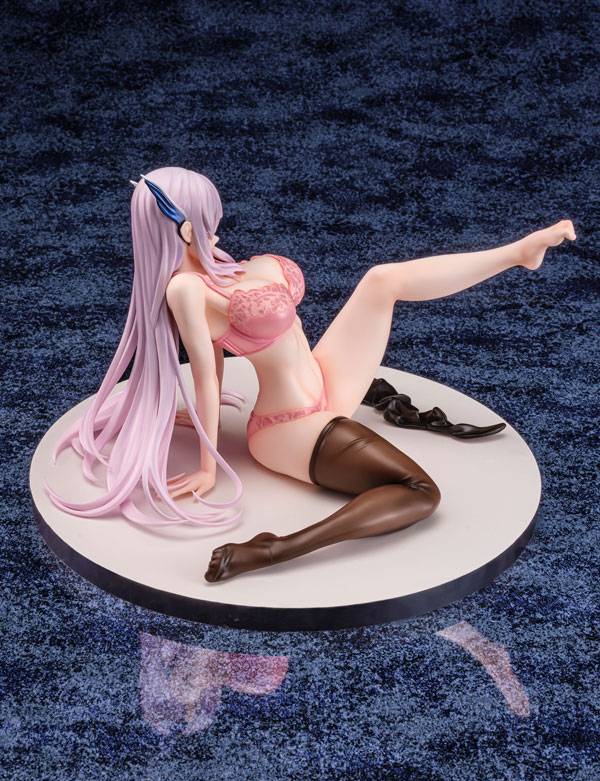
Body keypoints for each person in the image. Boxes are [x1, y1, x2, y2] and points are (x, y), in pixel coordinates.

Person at [48, 166, 576, 583]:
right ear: (185, 227)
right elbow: (207, 375)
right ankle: (275, 549)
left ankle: (517, 253)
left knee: (381, 280)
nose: (216, 225)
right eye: (207, 217)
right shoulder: (185, 289)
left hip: (325, 381)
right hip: (289, 425)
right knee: (420, 492)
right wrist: (209, 467)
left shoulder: (218, 266)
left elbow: (226, 355)